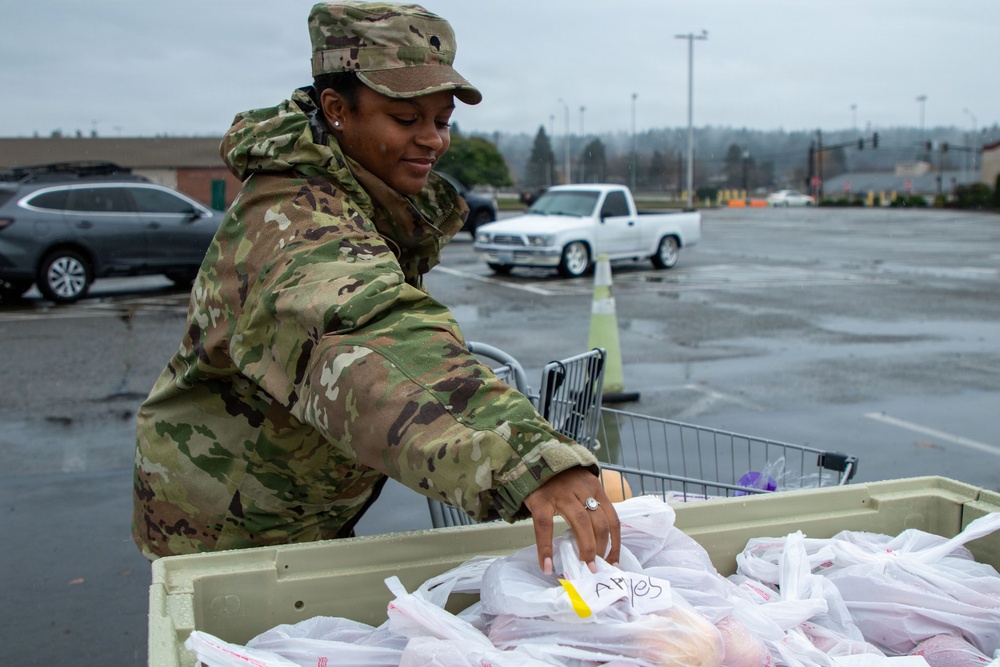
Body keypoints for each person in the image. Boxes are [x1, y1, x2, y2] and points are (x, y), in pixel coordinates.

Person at [132, 1, 619, 574]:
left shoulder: (357, 193)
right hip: (229, 535)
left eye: (441, 120)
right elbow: (369, 335)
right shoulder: (295, 220)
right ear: (337, 109)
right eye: (406, 119)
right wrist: (531, 459)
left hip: (293, 508)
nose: (433, 141)